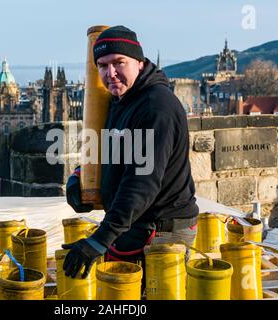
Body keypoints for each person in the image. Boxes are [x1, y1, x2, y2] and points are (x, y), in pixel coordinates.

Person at [63, 25, 199, 279]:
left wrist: (99, 240)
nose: (110, 73)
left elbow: (141, 183)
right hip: (134, 223)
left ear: (139, 61)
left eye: (119, 62)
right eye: (102, 66)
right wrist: (81, 176)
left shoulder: (155, 107)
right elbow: (113, 152)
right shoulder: (122, 99)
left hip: (160, 231)